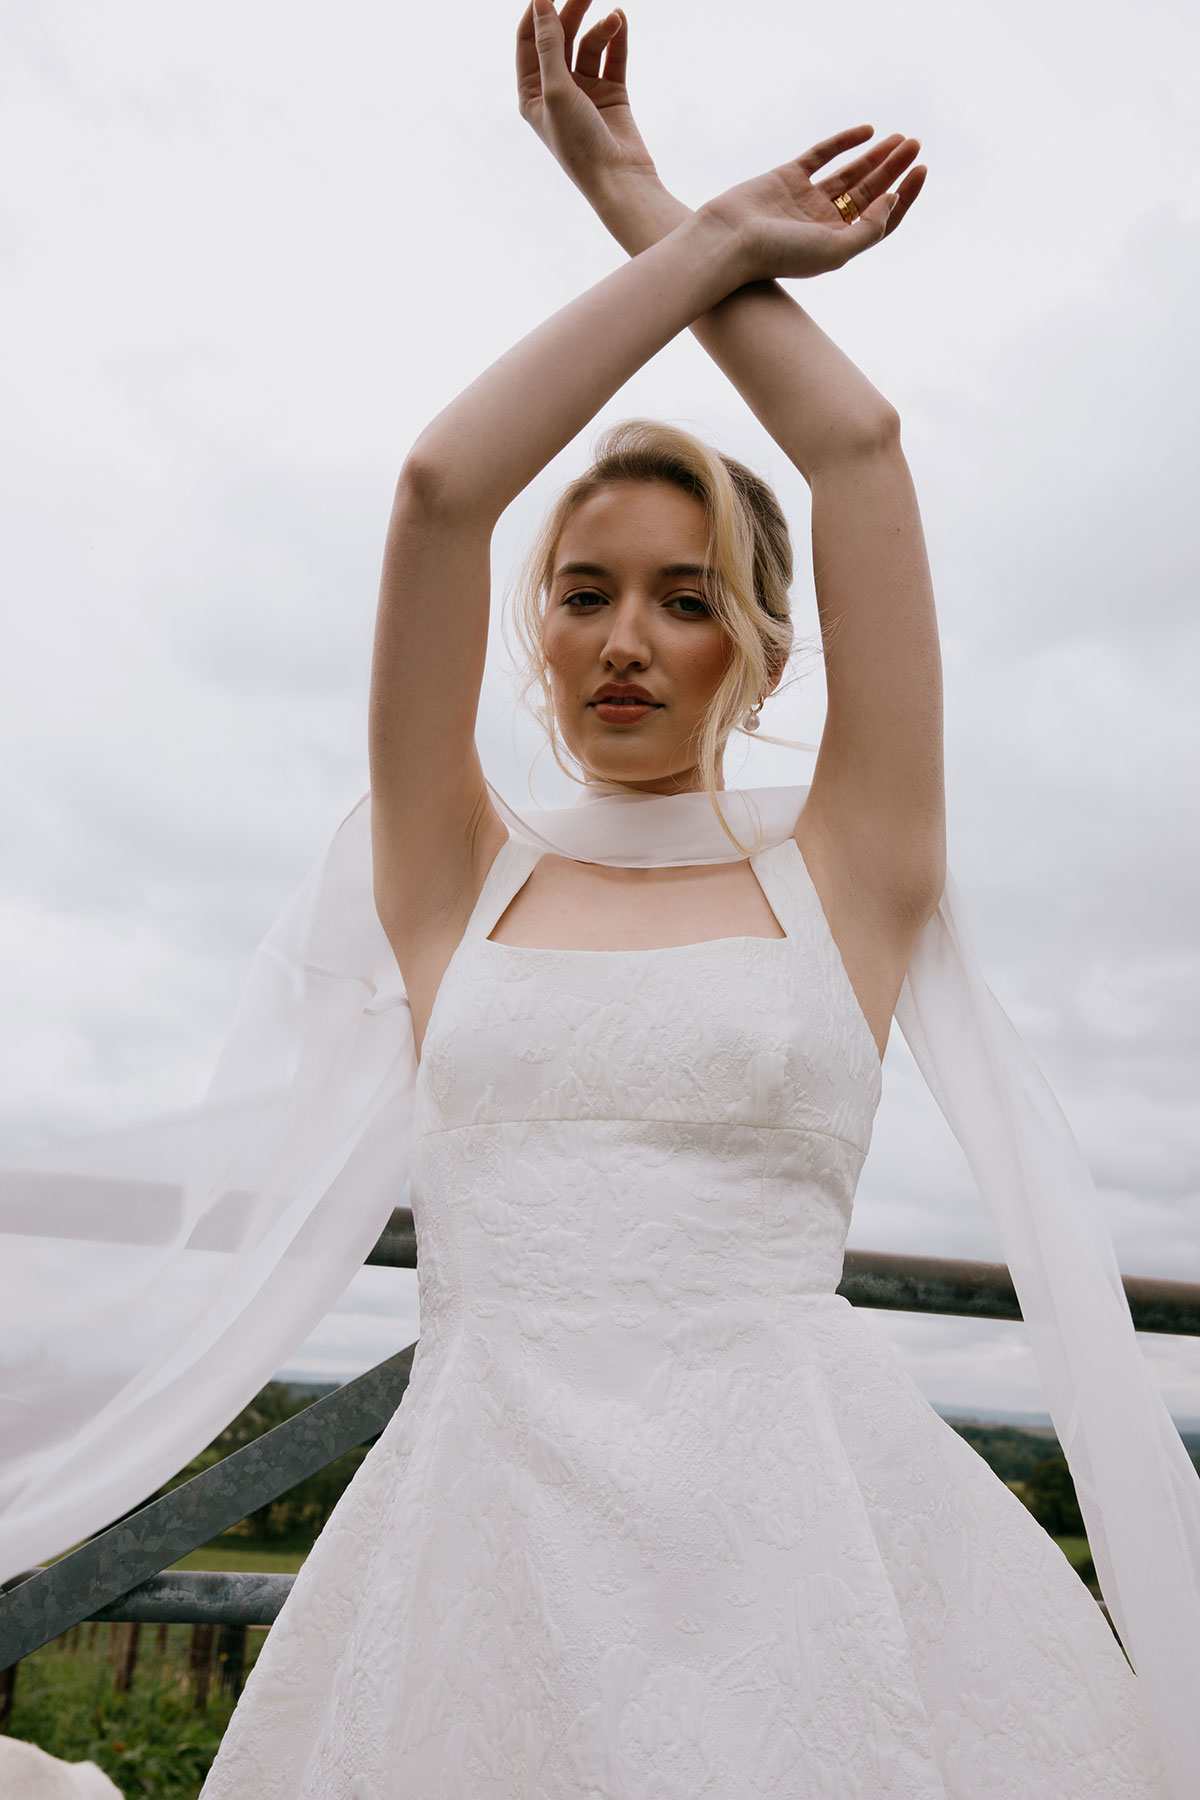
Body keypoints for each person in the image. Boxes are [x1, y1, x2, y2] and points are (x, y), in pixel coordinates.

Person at [192, 1, 1179, 1793]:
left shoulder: (856, 862)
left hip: (800, 1563)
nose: (626, 639)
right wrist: (707, 233)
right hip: (476, 1564)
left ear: (764, 636)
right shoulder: (452, 866)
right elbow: (438, 487)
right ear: (538, 625)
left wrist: (649, 201)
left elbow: (860, 447)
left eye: (686, 593)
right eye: (583, 592)